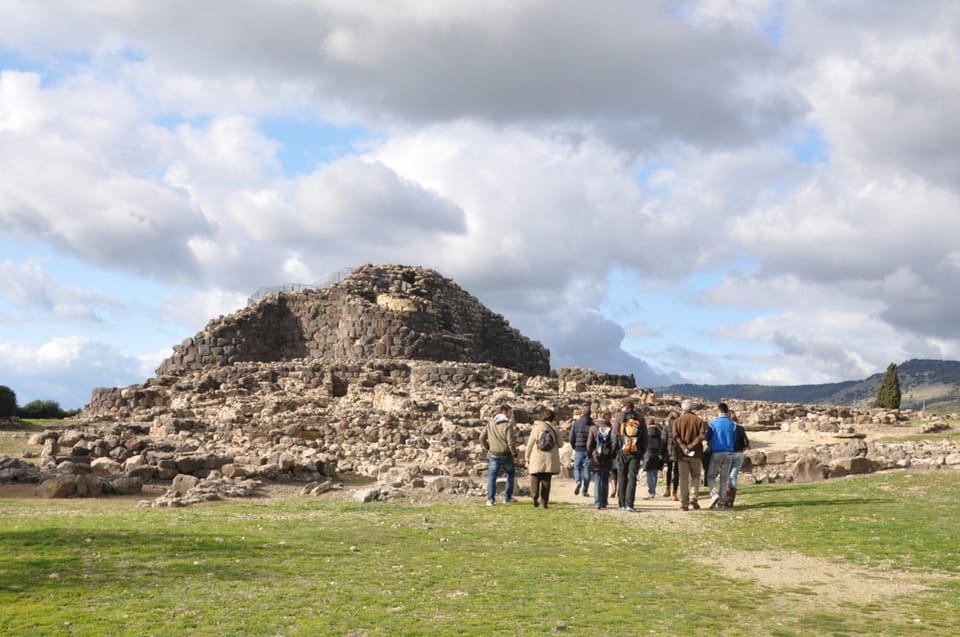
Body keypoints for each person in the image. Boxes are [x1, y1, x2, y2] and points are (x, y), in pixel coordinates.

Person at [479, 403, 521, 506]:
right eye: (510, 412)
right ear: (504, 412)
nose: (511, 415)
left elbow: (481, 438)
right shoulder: (508, 424)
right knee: (510, 474)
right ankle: (507, 497)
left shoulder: (490, 423)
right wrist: (515, 455)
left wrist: (488, 448)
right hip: (506, 454)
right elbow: (510, 442)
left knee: (492, 477)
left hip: (493, 454)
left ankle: (490, 500)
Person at [672, 399, 706, 511]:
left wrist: (683, 447)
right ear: (692, 408)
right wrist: (691, 446)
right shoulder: (698, 420)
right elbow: (701, 436)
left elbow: (675, 436)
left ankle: (684, 504)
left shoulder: (677, 421)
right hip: (696, 453)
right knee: (696, 476)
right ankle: (693, 496)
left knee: (683, 479)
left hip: (682, 454)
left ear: (682, 408)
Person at [525, 407, 562, 508]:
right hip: (550, 458)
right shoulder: (555, 429)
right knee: (546, 480)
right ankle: (544, 502)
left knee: (535, 477)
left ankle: (534, 495)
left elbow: (530, 444)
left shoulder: (537, 428)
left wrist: (527, 457)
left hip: (537, 456)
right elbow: (561, 444)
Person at [615, 398, 648, 512]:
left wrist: (616, 449)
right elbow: (645, 436)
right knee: (632, 477)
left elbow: (615, 434)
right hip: (635, 451)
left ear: (625, 406)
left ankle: (621, 503)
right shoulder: (640, 418)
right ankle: (630, 504)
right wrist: (642, 451)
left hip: (622, 451)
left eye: (621, 406)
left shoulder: (619, 417)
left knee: (622, 476)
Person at [706, 402, 737, 510]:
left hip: (716, 452)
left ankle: (714, 493)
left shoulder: (713, 423)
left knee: (710, 476)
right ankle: (722, 503)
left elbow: (708, 437)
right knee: (724, 479)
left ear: (718, 411)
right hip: (728, 452)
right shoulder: (733, 425)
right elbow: (734, 439)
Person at [587, 410, 618, 509]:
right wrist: (612, 454)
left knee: (597, 478)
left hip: (596, 456)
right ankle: (604, 501)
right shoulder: (611, 429)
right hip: (607, 457)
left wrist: (591, 454)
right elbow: (614, 443)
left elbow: (589, 444)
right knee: (605, 479)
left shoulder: (593, 428)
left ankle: (598, 501)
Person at [568, 406, 594, 497]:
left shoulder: (576, 423)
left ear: (582, 413)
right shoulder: (592, 424)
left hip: (578, 448)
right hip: (589, 450)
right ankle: (585, 490)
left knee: (577, 467)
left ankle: (578, 481)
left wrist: (574, 446)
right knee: (587, 469)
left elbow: (571, 437)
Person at [728, 410, 750, 508]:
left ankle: (726, 498)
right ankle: (732, 500)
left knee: (726, 476)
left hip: (727, 453)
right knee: (733, 476)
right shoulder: (740, 429)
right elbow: (746, 443)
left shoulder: (726, 429)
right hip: (739, 454)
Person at [642, 418, 664, 500]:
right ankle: (653, 490)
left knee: (649, 473)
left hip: (648, 453)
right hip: (657, 453)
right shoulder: (660, 432)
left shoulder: (645, 432)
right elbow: (662, 442)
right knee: (655, 473)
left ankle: (651, 492)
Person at [661, 412, 680, 500]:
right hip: (677, 450)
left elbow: (663, 441)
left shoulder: (667, 427)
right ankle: (674, 492)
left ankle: (667, 489)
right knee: (676, 472)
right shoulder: (679, 427)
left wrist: (661, 452)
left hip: (668, 451)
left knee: (669, 470)